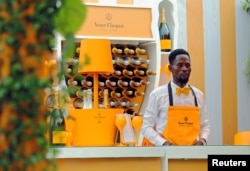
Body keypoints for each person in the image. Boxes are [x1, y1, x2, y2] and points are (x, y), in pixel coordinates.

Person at [141, 48, 210, 146]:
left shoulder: (198, 95)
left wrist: (202, 141)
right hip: (167, 155)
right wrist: (164, 143)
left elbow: (205, 125)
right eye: (179, 65)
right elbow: (146, 127)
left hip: (193, 155)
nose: (184, 68)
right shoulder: (157, 94)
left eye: (187, 65)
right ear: (170, 68)